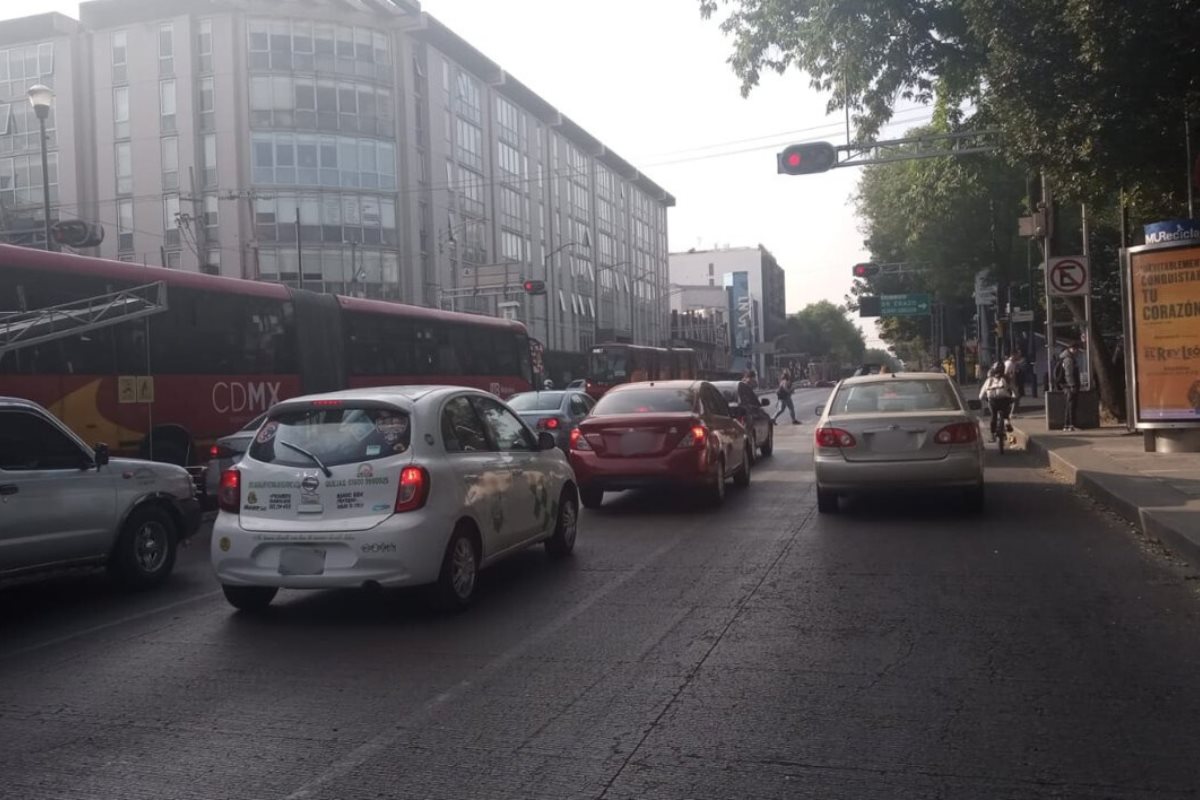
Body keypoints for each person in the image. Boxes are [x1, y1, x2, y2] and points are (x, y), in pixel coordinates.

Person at [979, 364, 1016, 442]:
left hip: (993, 401)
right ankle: (1006, 422)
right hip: (1004, 399)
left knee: (993, 416)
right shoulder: (1006, 379)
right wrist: (1014, 397)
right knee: (1006, 411)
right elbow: (1014, 390)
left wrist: (985, 398)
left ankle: (992, 436)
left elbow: (981, 395)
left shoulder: (989, 380)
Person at [1055, 342, 1082, 431]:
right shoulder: (1068, 359)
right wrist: (1072, 385)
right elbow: (1068, 374)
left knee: (1069, 404)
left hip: (1065, 385)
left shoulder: (1064, 358)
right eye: (1076, 349)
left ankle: (1067, 425)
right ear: (1072, 349)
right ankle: (1071, 424)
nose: (1077, 352)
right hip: (1069, 385)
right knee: (1071, 405)